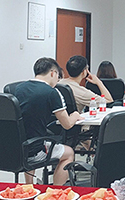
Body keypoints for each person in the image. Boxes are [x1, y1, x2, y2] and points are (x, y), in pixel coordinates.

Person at [13, 57, 82, 185]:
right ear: (53, 73)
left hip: (16, 148)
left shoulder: (17, 88)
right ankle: (55, 191)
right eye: (58, 76)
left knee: (31, 138)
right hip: (35, 150)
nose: (57, 80)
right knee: (68, 153)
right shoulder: (52, 92)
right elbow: (67, 124)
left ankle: (29, 185)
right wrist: (75, 115)